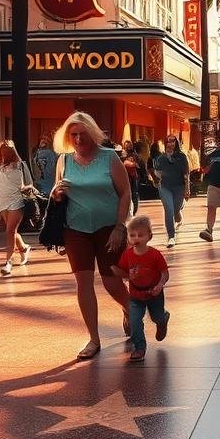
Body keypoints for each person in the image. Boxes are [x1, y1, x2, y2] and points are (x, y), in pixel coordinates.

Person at [52, 112, 132, 359]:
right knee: (83, 283)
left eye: (82, 134)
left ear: (92, 134)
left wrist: (120, 226)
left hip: (108, 228)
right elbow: (59, 192)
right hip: (75, 229)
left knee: (111, 282)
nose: (77, 139)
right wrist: (56, 194)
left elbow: (125, 192)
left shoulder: (109, 158)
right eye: (73, 135)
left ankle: (130, 310)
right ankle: (93, 339)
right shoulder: (64, 160)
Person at [111, 215, 171, 362]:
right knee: (135, 320)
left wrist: (160, 285)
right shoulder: (128, 254)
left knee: (156, 316)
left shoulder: (155, 255)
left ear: (149, 236)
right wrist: (115, 270)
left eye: (140, 235)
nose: (136, 238)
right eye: (132, 235)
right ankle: (140, 347)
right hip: (136, 296)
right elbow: (124, 271)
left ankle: (162, 319)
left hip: (154, 294)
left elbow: (165, 273)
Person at [0, 140, 33, 276]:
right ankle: (23, 248)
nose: (6, 152)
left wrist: (26, 188)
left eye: (9, 149)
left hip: (16, 199)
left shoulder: (20, 165)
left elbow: (28, 183)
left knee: (10, 230)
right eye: (3, 149)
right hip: (2, 200)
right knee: (11, 230)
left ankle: (8, 262)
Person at [151, 135, 190, 248]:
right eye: (169, 142)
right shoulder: (161, 158)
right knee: (169, 210)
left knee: (175, 210)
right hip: (165, 187)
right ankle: (171, 237)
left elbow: (186, 175)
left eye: (173, 142)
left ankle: (178, 216)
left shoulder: (182, 157)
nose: (171, 144)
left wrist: (187, 189)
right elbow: (157, 172)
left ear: (176, 143)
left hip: (179, 187)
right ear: (165, 143)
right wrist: (157, 178)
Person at [121, 140, 142, 216]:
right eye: (126, 146)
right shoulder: (121, 154)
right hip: (123, 176)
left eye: (129, 146)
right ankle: (126, 211)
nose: (128, 147)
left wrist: (130, 163)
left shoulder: (134, 154)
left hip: (133, 176)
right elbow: (123, 163)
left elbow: (136, 164)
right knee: (125, 193)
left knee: (134, 193)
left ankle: (134, 212)